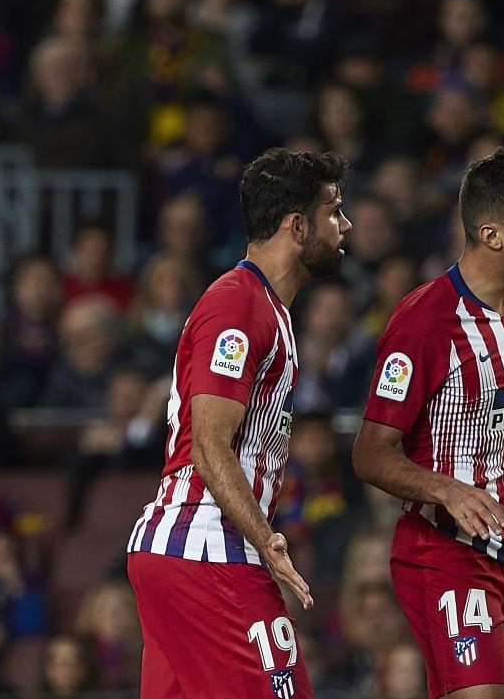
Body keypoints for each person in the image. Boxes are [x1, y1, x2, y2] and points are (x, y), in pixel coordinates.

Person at [126, 148, 352, 699]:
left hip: (181, 551)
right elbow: (209, 444)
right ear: (297, 226)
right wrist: (267, 540)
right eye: (334, 211)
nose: (344, 225)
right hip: (209, 548)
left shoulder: (266, 307)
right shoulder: (238, 305)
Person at [352, 147, 504, 699]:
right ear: (491, 235)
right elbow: (371, 453)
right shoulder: (425, 322)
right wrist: (446, 489)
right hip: (445, 551)